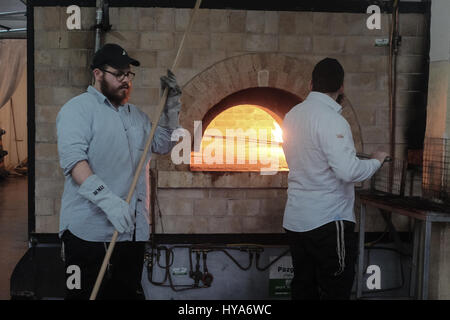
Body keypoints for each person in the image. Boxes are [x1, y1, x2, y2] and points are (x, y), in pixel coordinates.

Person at [56, 43, 181, 300]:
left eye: (129, 74)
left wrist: (171, 107)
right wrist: (109, 201)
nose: (126, 81)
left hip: (130, 232)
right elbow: (74, 163)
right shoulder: (76, 110)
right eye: (119, 74)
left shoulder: (136, 116)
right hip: (87, 233)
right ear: (98, 73)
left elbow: (164, 143)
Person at [282, 58, 389, 300]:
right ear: (342, 87)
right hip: (328, 222)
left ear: (310, 84)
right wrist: (376, 161)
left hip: (296, 220)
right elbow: (348, 171)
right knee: (336, 288)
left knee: (303, 287)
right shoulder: (333, 120)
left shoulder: (291, 116)